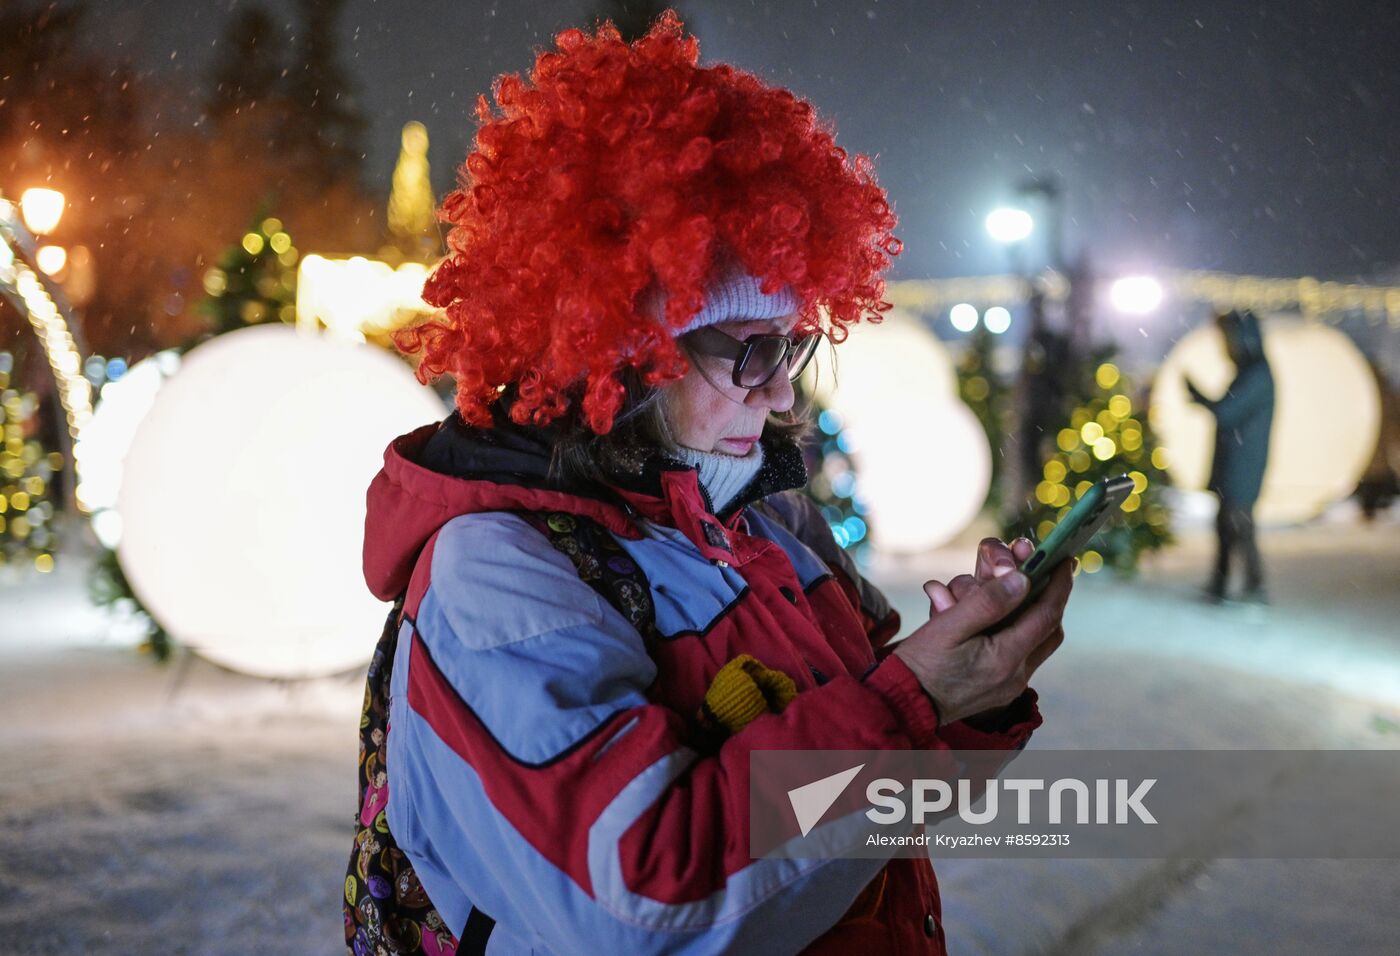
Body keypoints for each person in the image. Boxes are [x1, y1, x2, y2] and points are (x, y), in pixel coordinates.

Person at [345, 15, 1072, 955]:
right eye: (754, 352)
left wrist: (975, 677)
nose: (781, 395)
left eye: (796, 344)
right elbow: (649, 901)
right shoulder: (496, 575)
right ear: (625, 348)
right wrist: (912, 700)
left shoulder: (767, 521)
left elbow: (888, 798)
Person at [1185, 309, 1276, 604]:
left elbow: (1226, 412)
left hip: (1242, 468)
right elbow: (1227, 410)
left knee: (1238, 526)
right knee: (1229, 526)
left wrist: (1199, 397)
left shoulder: (1256, 373)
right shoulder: (1251, 371)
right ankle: (1225, 584)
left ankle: (1252, 587)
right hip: (1236, 466)